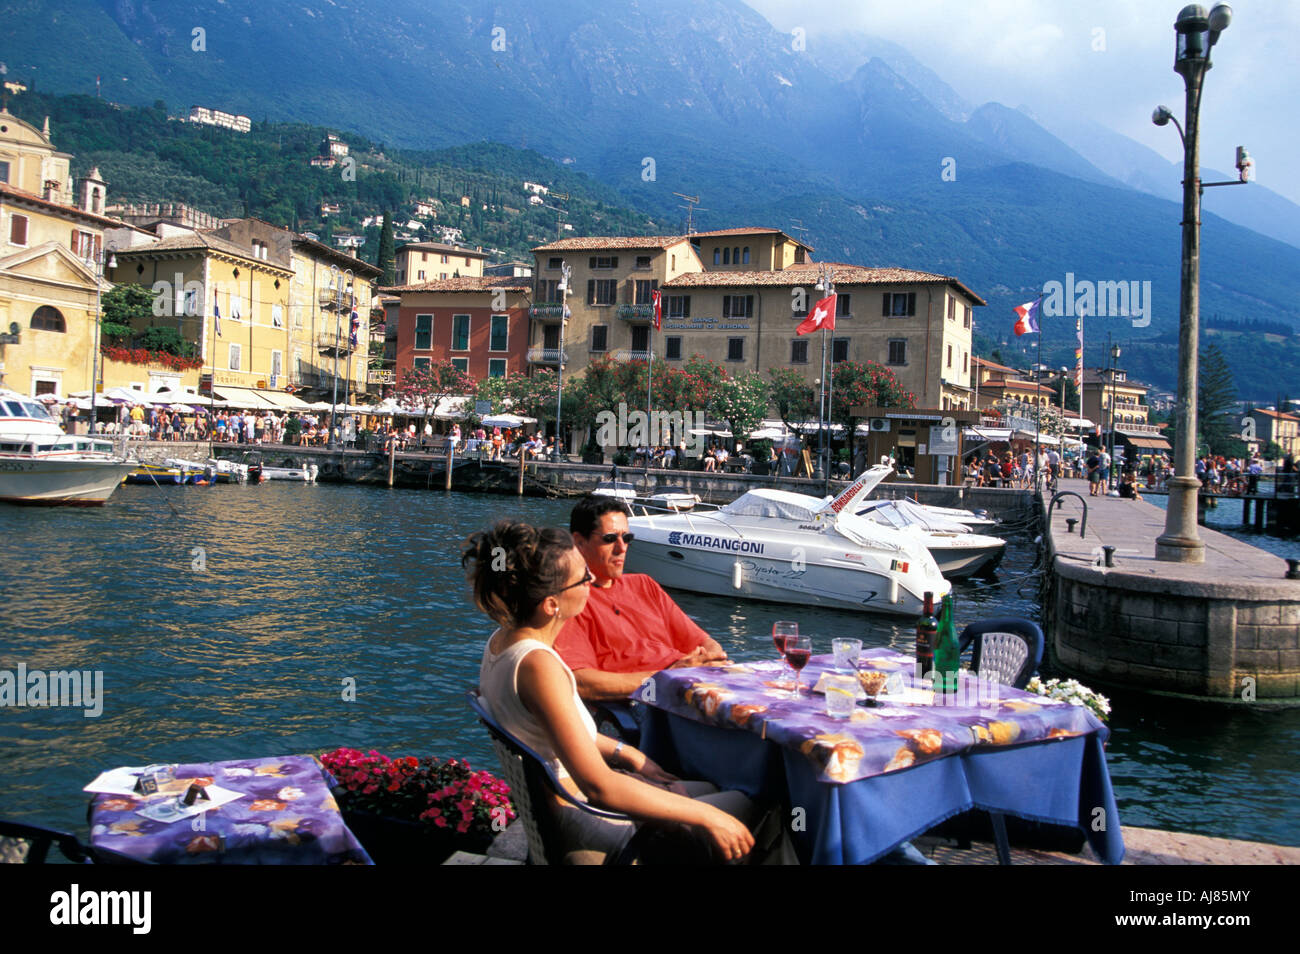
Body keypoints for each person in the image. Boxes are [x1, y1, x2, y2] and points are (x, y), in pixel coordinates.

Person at [465, 521, 756, 862]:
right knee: (749, 804)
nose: (591, 581)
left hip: (559, 811)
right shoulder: (538, 666)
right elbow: (599, 787)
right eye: (582, 577)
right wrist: (711, 817)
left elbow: (553, 733)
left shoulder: (503, 642)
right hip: (583, 820)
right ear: (551, 605)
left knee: (706, 788)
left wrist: (628, 754)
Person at [555, 495, 728, 703]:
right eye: (610, 539)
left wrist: (709, 659)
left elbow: (705, 642)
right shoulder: (571, 600)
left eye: (627, 538)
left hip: (694, 684)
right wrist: (666, 679)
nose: (622, 548)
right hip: (656, 702)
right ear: (579, 542)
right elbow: (581, 682)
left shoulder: (644, 585)